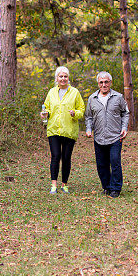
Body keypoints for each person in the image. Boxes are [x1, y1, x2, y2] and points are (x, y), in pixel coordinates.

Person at [40, 66, 85, 194]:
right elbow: (47, 108)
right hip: (53, 129)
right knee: (55, 156)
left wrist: (74, 113)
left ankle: (64, 184)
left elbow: (81, 110)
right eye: (61, 76)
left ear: (68, 78)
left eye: (65, 76)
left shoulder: (75, 92)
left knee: (66, 157)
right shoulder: (51, 92)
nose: (63, 78)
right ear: (57, 78)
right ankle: (53, 184)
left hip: (69, 130)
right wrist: (45, 114)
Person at [85, 71, 130, 198]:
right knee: (101, 164)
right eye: (101, 82)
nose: (104, 84)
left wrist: (124, 127)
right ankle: (106, 187)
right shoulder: (92, 99)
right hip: (99, 137)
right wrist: (89, 129)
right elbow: (88, 116)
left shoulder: (118, 97)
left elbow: (125, 113)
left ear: (110, 82)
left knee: (115, 161)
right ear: (98, 84)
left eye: (106, 82)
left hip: (115, 136)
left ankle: (115, 188)